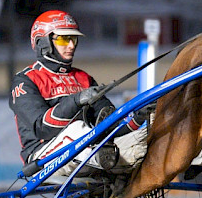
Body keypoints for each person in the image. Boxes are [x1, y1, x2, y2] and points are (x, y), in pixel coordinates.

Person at [10, 10, 148, 178]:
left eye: (73, 39)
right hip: (42, 157)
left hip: (92, 150)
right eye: (63, 39)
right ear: (43, 42)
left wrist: (138, 117)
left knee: (146, 134)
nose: (71, 45)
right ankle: (99, 156)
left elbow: (108, 126)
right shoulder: (26, 81)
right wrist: (77, 100)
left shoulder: (83, 78)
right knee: (76, 128)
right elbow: (41, 128)